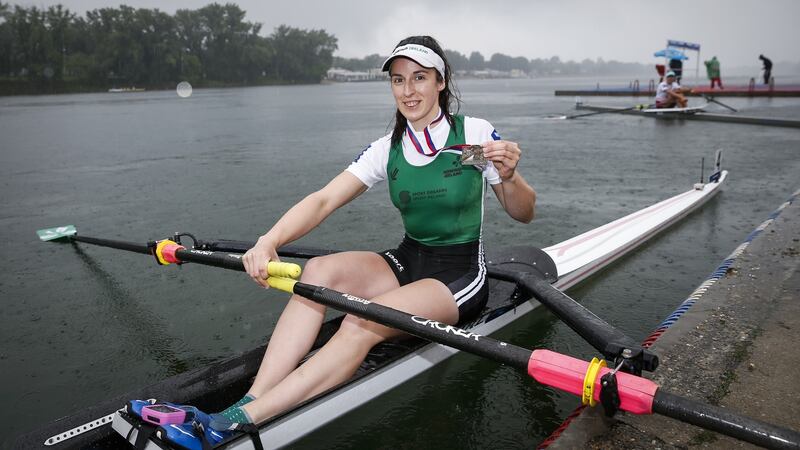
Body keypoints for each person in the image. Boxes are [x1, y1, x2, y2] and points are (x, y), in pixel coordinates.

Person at [208, 35, 536, 431]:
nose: (408, 90)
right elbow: (323, 200)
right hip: (408, 258)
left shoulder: (472, 139)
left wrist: (510, 176)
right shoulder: (389, 149)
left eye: (419, 78)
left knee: (360, 321)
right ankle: (255, 396)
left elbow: (523, 213)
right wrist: (269, 240)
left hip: (459, 275)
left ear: (441, 81)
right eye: (398, 80)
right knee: (317, 272)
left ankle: (241, 422)